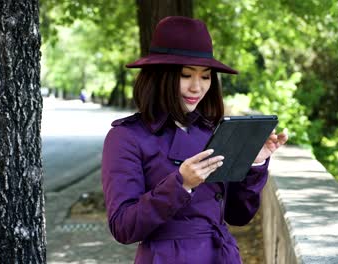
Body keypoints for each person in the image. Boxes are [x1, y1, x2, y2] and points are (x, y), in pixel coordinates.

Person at [101, 16, 288, 264]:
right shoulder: (127, 137)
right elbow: (123, 227)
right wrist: (180, 184)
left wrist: (252, 164)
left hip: (221, 255)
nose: (197, 87)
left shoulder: (211, 130)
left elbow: (239, 214)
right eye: (186, 75)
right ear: (160, 76)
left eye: (206, 76)